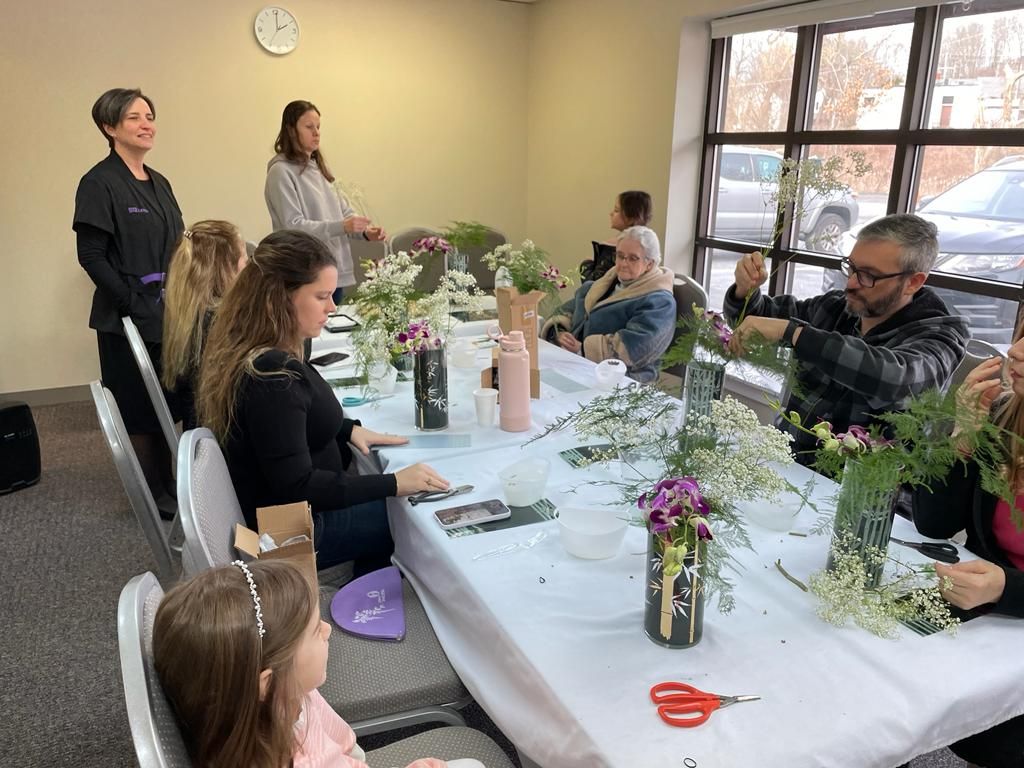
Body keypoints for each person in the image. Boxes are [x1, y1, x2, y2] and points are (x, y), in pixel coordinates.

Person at [197, 229, 448, 575]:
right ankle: (358, 604)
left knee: (398, 507)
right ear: (280, 298)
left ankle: (366, 579)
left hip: (277, 517)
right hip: (289, 534)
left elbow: (288, 426)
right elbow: (298, 485)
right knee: (415, 519)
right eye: (322, 296)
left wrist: (346, 430)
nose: (333, 307)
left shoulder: (259, 350)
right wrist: (393, 483)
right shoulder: (273, 378)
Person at [154, 560, 485, 768]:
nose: (327, 630)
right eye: (315, 630)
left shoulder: (290, 694)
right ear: (267, 683)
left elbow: (346, 746)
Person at [725, 213, 968, 461]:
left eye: (869, 275)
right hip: (787, 461)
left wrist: (794, 333)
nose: (850, 283)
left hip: (862, 488)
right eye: (851, 267)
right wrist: (745, 290)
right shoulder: (837, 308)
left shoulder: (941, 337)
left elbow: (896, 379)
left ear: (913, 282)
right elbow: (757, 321)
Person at [912, 337, 1024, 768]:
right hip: (985, 614)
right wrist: (962, 437)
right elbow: (933, 524)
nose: (1014, 352)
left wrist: (1006, 587)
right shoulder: (1003, 415)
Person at [73, 87, 184, 514]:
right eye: (135, 117)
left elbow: (179, 246)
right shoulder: (98, 183)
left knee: (168, 400)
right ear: (109, 127)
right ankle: (150, 496)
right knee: (138, 408)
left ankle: (174, 486)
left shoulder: (161, 183)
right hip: (126, 316)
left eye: (149, 116)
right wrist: (130, 303)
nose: (146, 124)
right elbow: (92, 256)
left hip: (169, 312)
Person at [265, 100, 387, 305]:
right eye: (309, 127)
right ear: (291, 130)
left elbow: (344, 213)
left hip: (332, 270)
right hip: (304, 273)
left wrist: (365, 231)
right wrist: (342, 226)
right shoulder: (281, 172)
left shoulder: (319, 169)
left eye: (319, 127)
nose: (317, 133)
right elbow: (292, 226)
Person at [543, 225, 675, 384]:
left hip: (622, 381)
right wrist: (559, 333)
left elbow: (636, 347)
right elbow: (565, 311)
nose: (624, 263)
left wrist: (582, 348)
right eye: (620, 256)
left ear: (650, 264)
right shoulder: (603, 283)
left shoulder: (659, 302)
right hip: (580, 365)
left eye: (633, 258)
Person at [161, 220, 249, 431]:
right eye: (245, 262)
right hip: (220, 437)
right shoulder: (223, 322)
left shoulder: (190, 314)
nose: (249, 269)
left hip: (199, 430)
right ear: (227, 269)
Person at [580, 191, 653, 282]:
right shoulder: (648, 245)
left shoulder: (611, 248)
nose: (611, 214)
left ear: (631, 218)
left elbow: (593, 285)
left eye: (616, 210)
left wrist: (586, 264)